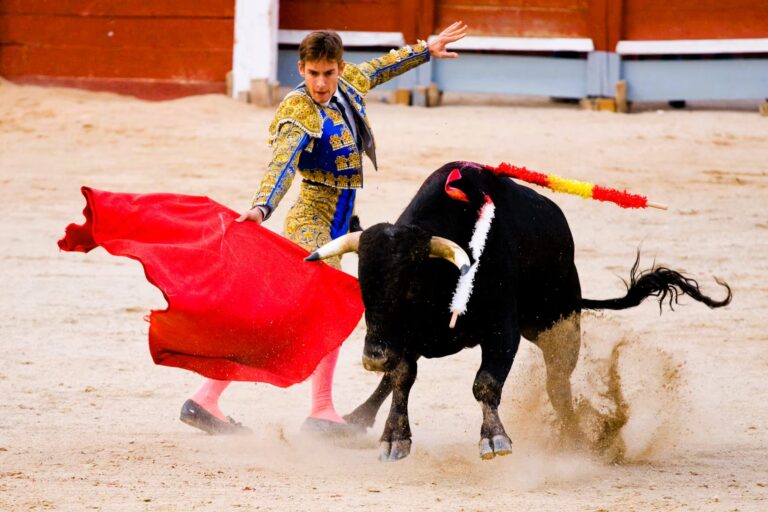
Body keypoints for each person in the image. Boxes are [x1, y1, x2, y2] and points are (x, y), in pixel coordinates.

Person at [180, 21, 468, 436]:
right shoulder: (298, 110)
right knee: (311, 311)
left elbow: (381, 68)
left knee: (286, 314)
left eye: (328, 73)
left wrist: (427, 49)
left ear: (338, 67)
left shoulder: (347, 84)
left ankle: (209, 399)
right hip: (312, 218)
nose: (320, 82)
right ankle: (314, 410)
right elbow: (281, 162)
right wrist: (262, 207)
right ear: (301, 69)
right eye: (313, 73)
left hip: (342, 219)